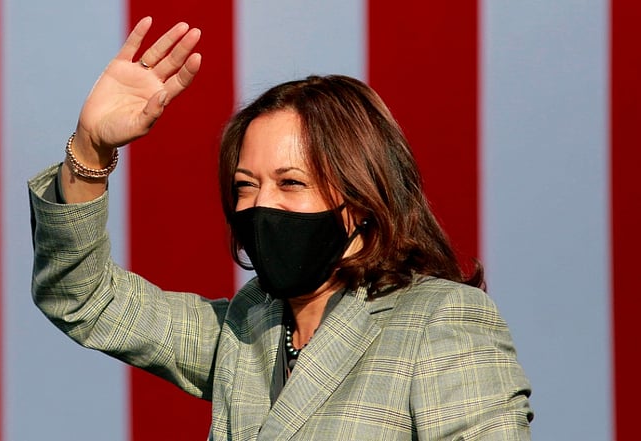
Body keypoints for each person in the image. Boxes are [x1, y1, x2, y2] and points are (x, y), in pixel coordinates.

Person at [29, 17, 533, 440]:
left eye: (291, 183)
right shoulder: (248, 327)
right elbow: (84, 298)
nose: (262, 205)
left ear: (362, 200)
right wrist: (91, 150)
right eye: (246, 185)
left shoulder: (441, 321)